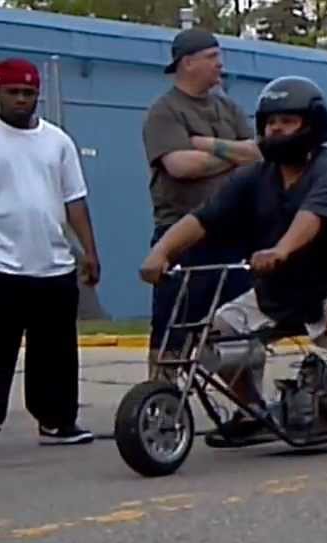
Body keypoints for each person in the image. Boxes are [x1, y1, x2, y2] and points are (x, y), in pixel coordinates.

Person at [139, 76, 327, 452]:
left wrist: (281, 250)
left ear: (312, 125)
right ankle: (254, 412)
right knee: (214, 335)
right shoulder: (253, 177)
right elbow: (204, 218)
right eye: (270, 121)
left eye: (287, 121)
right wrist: (161, 253)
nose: (276, 128)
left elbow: (312, 216)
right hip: (283, 287)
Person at [141, 28, 261, 380]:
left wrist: (204, 144)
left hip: (233, 235)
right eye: (212, 57)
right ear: (187, 63)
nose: (220, 64)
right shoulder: (165, 112)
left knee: (239, 329)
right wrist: (233, 155)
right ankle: (161, 399)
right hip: (182, 235)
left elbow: (258, 155)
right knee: (173, 330)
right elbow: (180, 166)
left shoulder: (229, 108)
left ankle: (247, 403)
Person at [0, 57, 100, 445]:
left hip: (54, 264)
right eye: (13, 92)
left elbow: (75, 200)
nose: (21, 100)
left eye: (28, 93)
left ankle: (57, 421)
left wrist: (89, 250)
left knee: (55, 353)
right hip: (3, 265)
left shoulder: (57, 141)